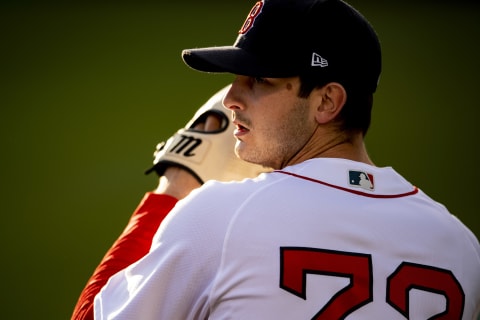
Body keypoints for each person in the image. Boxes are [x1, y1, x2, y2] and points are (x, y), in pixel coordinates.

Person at [73, 0, 480, 319]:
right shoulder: (459, 246)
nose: (231, 99)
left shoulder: (222, 216)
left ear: (327, 101)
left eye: (259, 80)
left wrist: (177, 183)